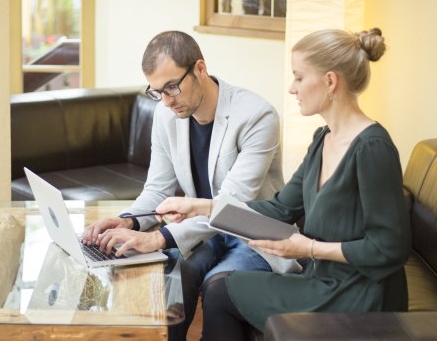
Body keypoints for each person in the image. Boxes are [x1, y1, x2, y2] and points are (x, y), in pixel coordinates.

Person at [156, 28, 412, 340]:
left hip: (362, 292)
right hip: (322, 282)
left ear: (330, 81)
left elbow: (390, 248)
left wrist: (310, 248)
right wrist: (201, 206)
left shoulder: (373, 147)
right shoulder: (322, 140)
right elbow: (279, 208)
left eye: (299, 77)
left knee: (220, 290)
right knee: (221, 288)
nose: (292, 88)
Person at [81, 30, 298, 340]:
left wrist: (160, 239)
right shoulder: (165, 114)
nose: (167, 101)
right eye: (157, 91)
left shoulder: (256, 115)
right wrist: (128, 219)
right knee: (173, 273)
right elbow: (158, 188)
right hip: (201, 229)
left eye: (172, 87)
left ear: (199, 68)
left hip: (251, 233)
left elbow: (233, 204)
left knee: (216, 285)